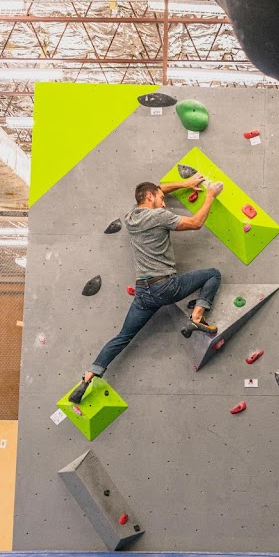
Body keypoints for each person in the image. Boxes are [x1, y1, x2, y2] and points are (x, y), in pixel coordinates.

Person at [68, 173, 224, 403]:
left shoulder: (131, 216)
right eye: (161, 198)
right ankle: (197, 317)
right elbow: (196, 223)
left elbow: (157, 188)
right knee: (213, 274)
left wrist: (184, 184)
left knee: (123, 337)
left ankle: (88, 377)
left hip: (144, 294)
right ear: (150, 197)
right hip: (165, 286)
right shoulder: (159, 216)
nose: (164, 201)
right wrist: (210, 195)